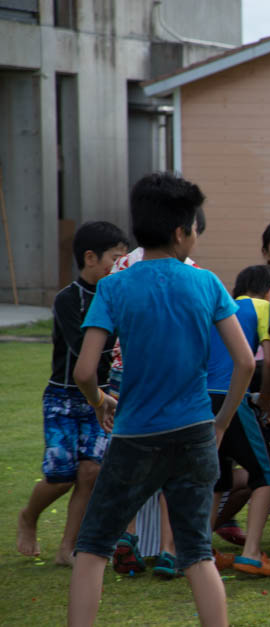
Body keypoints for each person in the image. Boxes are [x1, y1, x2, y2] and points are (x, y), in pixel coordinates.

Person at [68, 172, 255, 626]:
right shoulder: (207, 283)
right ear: (181, 232)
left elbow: (84, 371)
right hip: (194, 433)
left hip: (135, 435)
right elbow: (246, 364)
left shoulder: (114, 286)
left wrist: (99, 402)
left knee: (92, 547)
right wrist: (223, 421)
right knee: (197, 552)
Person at [15, 221, 128, 566]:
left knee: (91, 472)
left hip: (103, 397)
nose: (121, 265)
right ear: (90, 258)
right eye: (116, 258)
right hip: (64, 398)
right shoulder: (67, 299)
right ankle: (29, 516)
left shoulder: (119, 293)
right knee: (61, 476)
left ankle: (68, 548)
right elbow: (82, 350)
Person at [107, 211, 208, 575]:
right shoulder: (194, 272)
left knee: (130, 460)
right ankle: (168, 549)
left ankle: (127, 535)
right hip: (172, 378)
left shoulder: (120, 266)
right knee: (175, 463)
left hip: (124, 373)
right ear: (182, 232)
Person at [207, 264, 270, 576]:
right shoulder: (264, 307)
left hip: (201, 401)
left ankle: (199, 551)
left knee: (217, 479)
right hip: (231, 398)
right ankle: (252, 553)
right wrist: (267, 399)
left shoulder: (220, 309)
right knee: (266, 473)